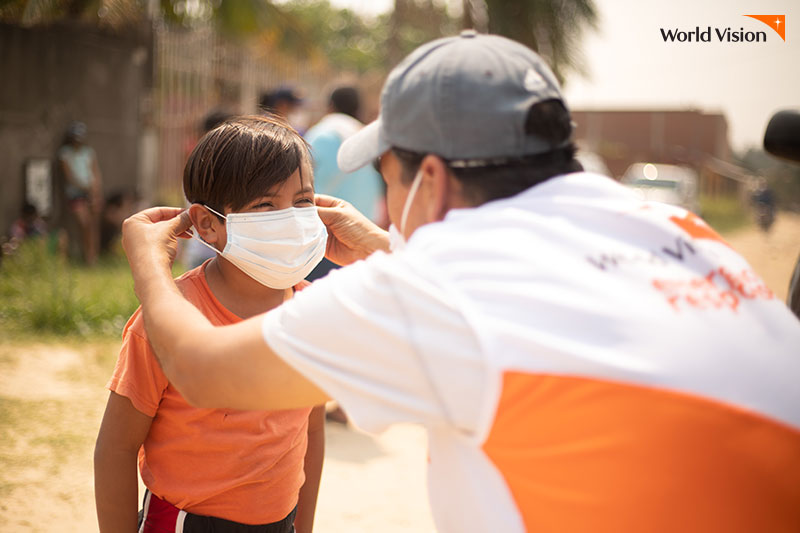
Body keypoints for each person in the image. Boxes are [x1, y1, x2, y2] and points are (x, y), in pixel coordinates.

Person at [121, 32, 800, 533]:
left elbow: (203, 369)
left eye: (388, 176)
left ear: (434, 179)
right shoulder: (684, 232)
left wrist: (149, 258)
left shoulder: (437, 291)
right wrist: (391, 248)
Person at [94, 116, 326, 533]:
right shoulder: (166, 320)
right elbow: (116, 447)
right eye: (265, 205)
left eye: (303, 201)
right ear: (208, 224)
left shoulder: (315, 311)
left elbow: (311, 428)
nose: (290, 219)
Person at [58, 121, 102, 265]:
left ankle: (91, 257)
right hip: (75, 194)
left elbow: (95, 173)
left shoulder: (88, 152)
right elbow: (69, 176)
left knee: (92, 226)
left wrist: (95, 191)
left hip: (90, 192)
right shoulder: (65, 153)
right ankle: (83, 254)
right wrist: (84, 187)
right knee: (84, 223)